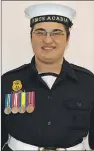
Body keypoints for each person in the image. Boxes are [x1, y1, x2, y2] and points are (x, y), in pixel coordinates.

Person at [1, 3, 94, 151]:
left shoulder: (88, 83)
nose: (48, 40)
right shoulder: (6, 82)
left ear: (67, 39)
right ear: (31, 37)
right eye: (40, 32)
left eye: (56, 33)